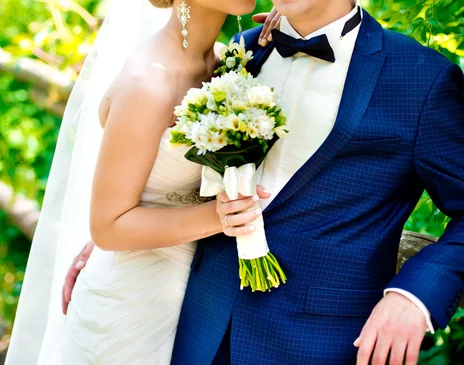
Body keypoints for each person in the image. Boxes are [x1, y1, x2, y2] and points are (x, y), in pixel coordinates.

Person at [61, 0, 464, 364]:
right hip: (194, 325)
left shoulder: (419, 78)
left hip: (319, 341)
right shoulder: (240, 53)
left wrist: (415, 294)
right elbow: (175, 170)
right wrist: (115, 235)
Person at [5, 1, 280, 364]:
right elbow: (107, 226)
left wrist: (289, 22)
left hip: (192, 298)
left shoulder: (225, 60)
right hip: (128, 308)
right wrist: (221, 218)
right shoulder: (148, 80)